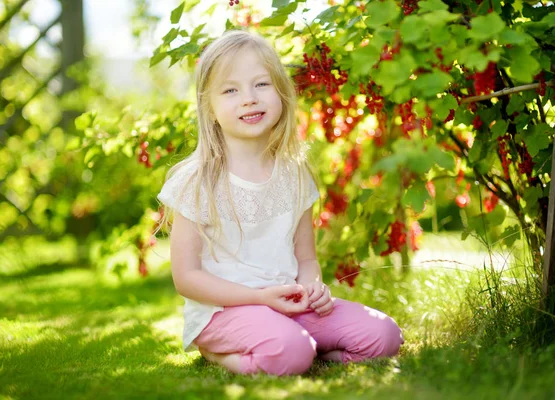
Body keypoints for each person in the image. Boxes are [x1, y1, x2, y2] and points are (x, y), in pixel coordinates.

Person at [157, 29, 403, 376]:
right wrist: (260, 298)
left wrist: (312, 286)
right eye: (230, 90)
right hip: (224, 310)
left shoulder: (294, 174)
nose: (249, 99)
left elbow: (306, 258)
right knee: (291, 351)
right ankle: (220, 352)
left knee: (384, 335)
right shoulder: (198, 181)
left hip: (290, 306)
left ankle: (302, 348)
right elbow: (186, 278)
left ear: (282, 94)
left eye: (261, 84)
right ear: (209, 109)